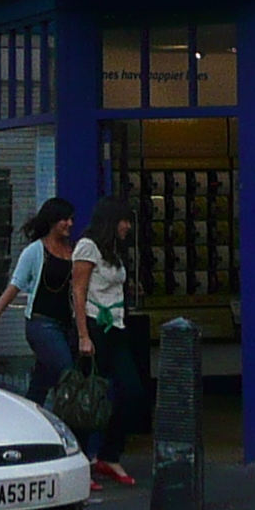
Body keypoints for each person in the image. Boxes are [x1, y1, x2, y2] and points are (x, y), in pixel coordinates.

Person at [67, 196, 144, 488]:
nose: (127, 226)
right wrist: (84, 336)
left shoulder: (113, 251)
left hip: (118, 328)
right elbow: (78, 291)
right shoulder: (88, 247)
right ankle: (81, 460)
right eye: (124, 220)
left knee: (131, 392)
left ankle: (109, 454)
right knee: (89, 397)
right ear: (111, 220)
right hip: (95, 329)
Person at [0, 197, 78, 402]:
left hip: (67, 324)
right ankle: (71, 420)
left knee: (43, 378)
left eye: (71, 219)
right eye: (64, 219)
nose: (69, 224)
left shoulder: (73, 250)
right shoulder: (35, 251)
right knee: (66, 370)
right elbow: (14, 287)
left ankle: (32, 409)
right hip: (42, 324)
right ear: (52, 221)